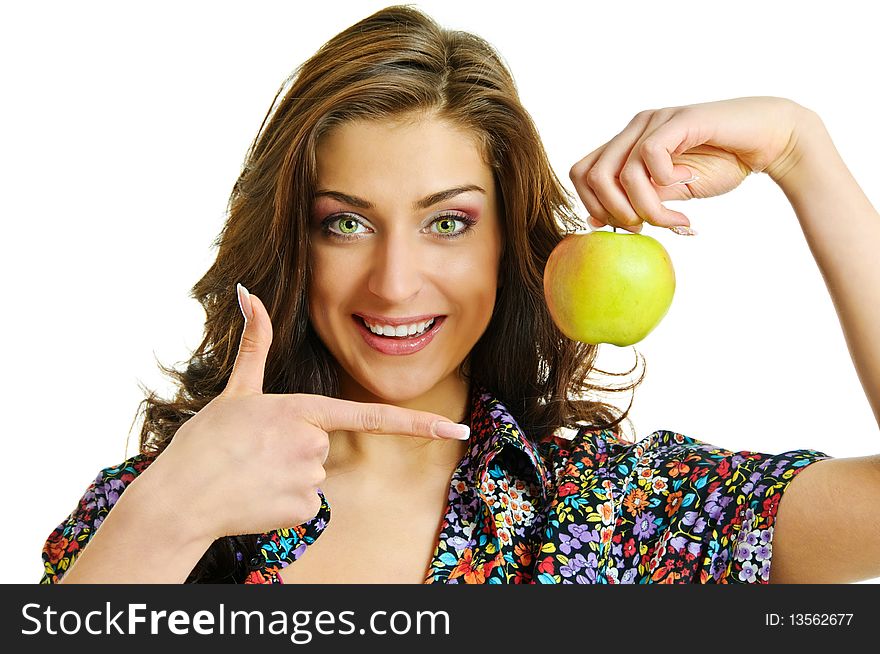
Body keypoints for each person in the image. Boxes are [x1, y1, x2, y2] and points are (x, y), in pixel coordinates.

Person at [40, 5, 879, 585]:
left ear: (509, 245)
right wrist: (168, 519)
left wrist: (803, 153)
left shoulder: (618, 512)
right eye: (345, 224)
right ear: (290, 242)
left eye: (447, 223)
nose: (395, 282)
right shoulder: (152, 504)